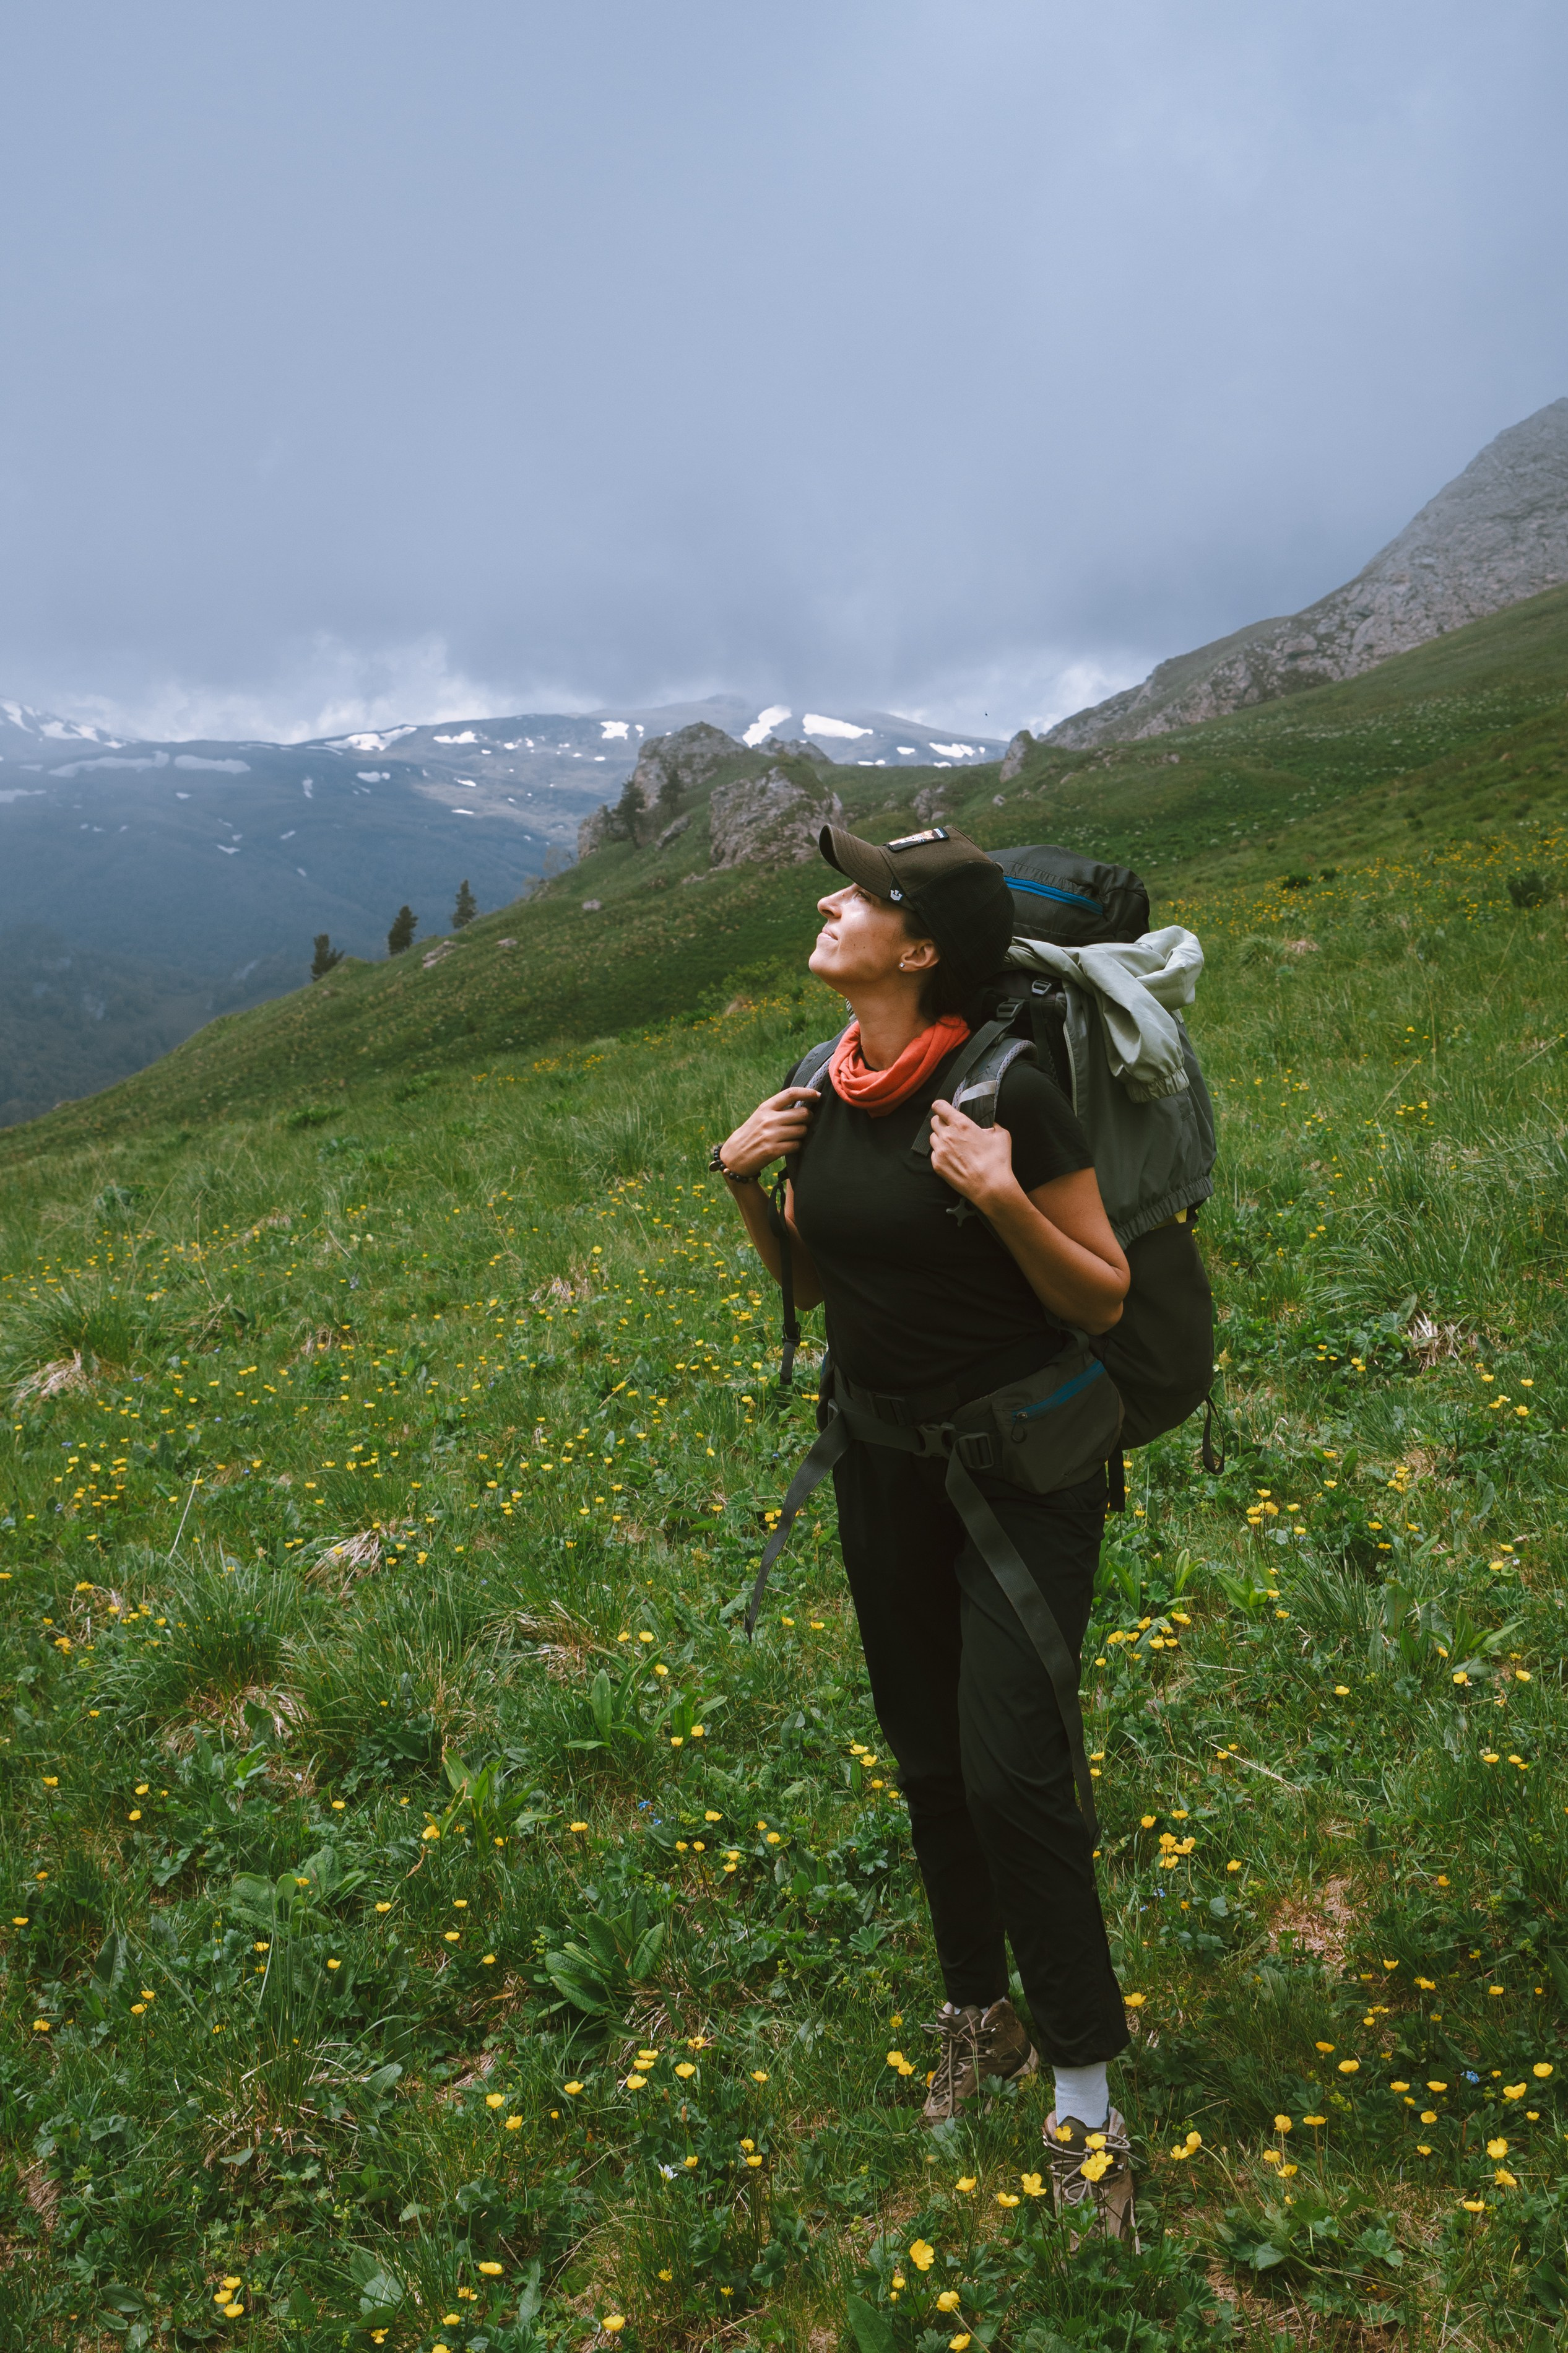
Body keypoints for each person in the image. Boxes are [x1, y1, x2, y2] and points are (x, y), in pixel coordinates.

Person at [713, 822, 1138, 2240]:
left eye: (865, 895)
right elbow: (823, 1294)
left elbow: (1099, 1298)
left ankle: (1083, 2095)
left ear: (920, 948)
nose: (832, 902)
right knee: (928, 1763)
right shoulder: (813, 1085)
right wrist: (742, 1187)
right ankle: (980, 2013)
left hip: (1022, 1476)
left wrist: (1002, 1194)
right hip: (880, 1468)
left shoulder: (1011, 1085)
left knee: (1015, 1774)